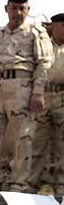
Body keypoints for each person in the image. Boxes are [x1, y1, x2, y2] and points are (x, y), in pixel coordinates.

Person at [0, 0, 53, 192]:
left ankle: (18, 185)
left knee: (22, 139)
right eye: (14, 8)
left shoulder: (35, 33)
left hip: (22, 90)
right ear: (6, 9)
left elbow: (44, 64)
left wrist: (38, 92)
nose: (18, 12)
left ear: (27, 10)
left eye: (22, 8)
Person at [32, 13, 64, 194]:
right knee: (36, 143)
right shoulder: (43, 45)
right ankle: (30, 189)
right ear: (54, 27)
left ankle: (62, 191)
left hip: (62, 97)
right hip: (42, 96)